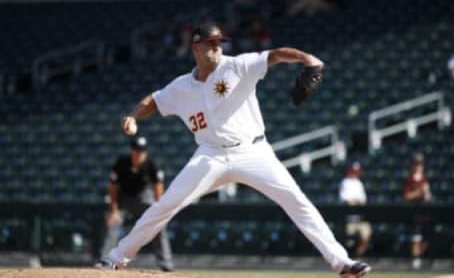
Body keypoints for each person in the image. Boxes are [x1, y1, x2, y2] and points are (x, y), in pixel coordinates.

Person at [94, 23, 370, 277]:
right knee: (165, 205)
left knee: (296, 201)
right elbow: (154, 100)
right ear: (195, 47)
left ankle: (341, 262)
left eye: (219, 43)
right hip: (209, 155)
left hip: (253, 152)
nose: (216, 47)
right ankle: (116, 257)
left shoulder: (238, 66)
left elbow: (275, 55)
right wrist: (132, 116)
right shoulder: (181, 87)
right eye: (210, 43)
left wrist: (307, 59)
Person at [99, 136, 174, 272]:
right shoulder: (122, 162)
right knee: (112, 223)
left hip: (144, 197)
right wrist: (113, 210)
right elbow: (113, 188)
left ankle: (166, 265)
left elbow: (158, 188)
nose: (138, 153)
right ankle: (105, 261)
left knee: (158, 226)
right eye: (136, 150)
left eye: (141, 151)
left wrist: (160, 212)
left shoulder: (151, 164)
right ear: (131, 150)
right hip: (124, 198)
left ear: (145, 152)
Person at [403, 153, 432, 270]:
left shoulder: (424, 178)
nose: (418, 166)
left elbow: (428, 197)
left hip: (424, 212)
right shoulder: (409, 179)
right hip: (414, 213)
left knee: (426, 237)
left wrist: (426, 193)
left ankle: (419, 257)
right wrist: (419, 192)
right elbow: (406, 196)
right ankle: (416, 262)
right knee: (416, 238)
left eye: (420, 163)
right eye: (416, 163)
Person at [339, 162, 371, 257]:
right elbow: (344, 199)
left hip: (360, 215)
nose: (356, 173)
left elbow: (363, 200)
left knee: (366, 236)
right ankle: (348, 260)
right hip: (350, 216)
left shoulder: (359, 183)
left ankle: (358, 258)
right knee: (349, 242)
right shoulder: (345, 182)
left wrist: (357, 202)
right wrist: (355, 201)